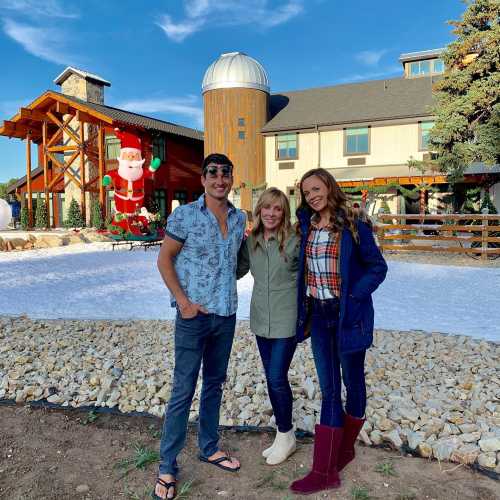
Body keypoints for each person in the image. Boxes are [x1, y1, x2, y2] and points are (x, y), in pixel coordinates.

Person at [290, 168, 387, 495]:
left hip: (348, 315)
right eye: (306, 192)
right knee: (330, 389)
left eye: (316, 189)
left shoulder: (354, 226)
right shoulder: (307, 226)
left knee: (354, 383)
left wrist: (356, 293)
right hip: (319, 316)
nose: (311, 196)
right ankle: (323, 471)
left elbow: (378, 267)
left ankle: (346, 448)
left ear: (329, 187)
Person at [154, 153, 246, 500]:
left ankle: (209, 447)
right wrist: (184, 302)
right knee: (183, 389)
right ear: (203, 179)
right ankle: (166, 465)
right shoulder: (186, 215)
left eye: (225, 173)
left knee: (215, 385)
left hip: (226, 315)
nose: (219, 179)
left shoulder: (239, 218)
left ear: (231, 178)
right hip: (193, 319)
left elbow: (236, 261)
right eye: (213, 173)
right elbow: (164, 259)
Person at [237, 188, 299, 465]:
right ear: (259, 211)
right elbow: (235, 269)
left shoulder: (296, 240)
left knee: (276, 377)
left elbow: (311, 276)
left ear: (284, 212)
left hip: (287, 319)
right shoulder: (252, 242)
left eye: (277, 209)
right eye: (267, 208)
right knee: (272, 378)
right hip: (261, 319)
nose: (271, 213)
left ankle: (286, 435)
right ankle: (282, 434)